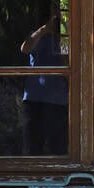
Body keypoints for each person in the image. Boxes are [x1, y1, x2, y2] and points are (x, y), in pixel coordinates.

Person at [21, 13, 69, 154]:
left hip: (58, 100)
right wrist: (43, 30)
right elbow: (25, 49)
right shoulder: (37, 35)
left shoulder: (66, 39)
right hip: (34, 98)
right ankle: (31, 175)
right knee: (32, 147)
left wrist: (62, 38)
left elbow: (68, 65)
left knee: (58, 147)